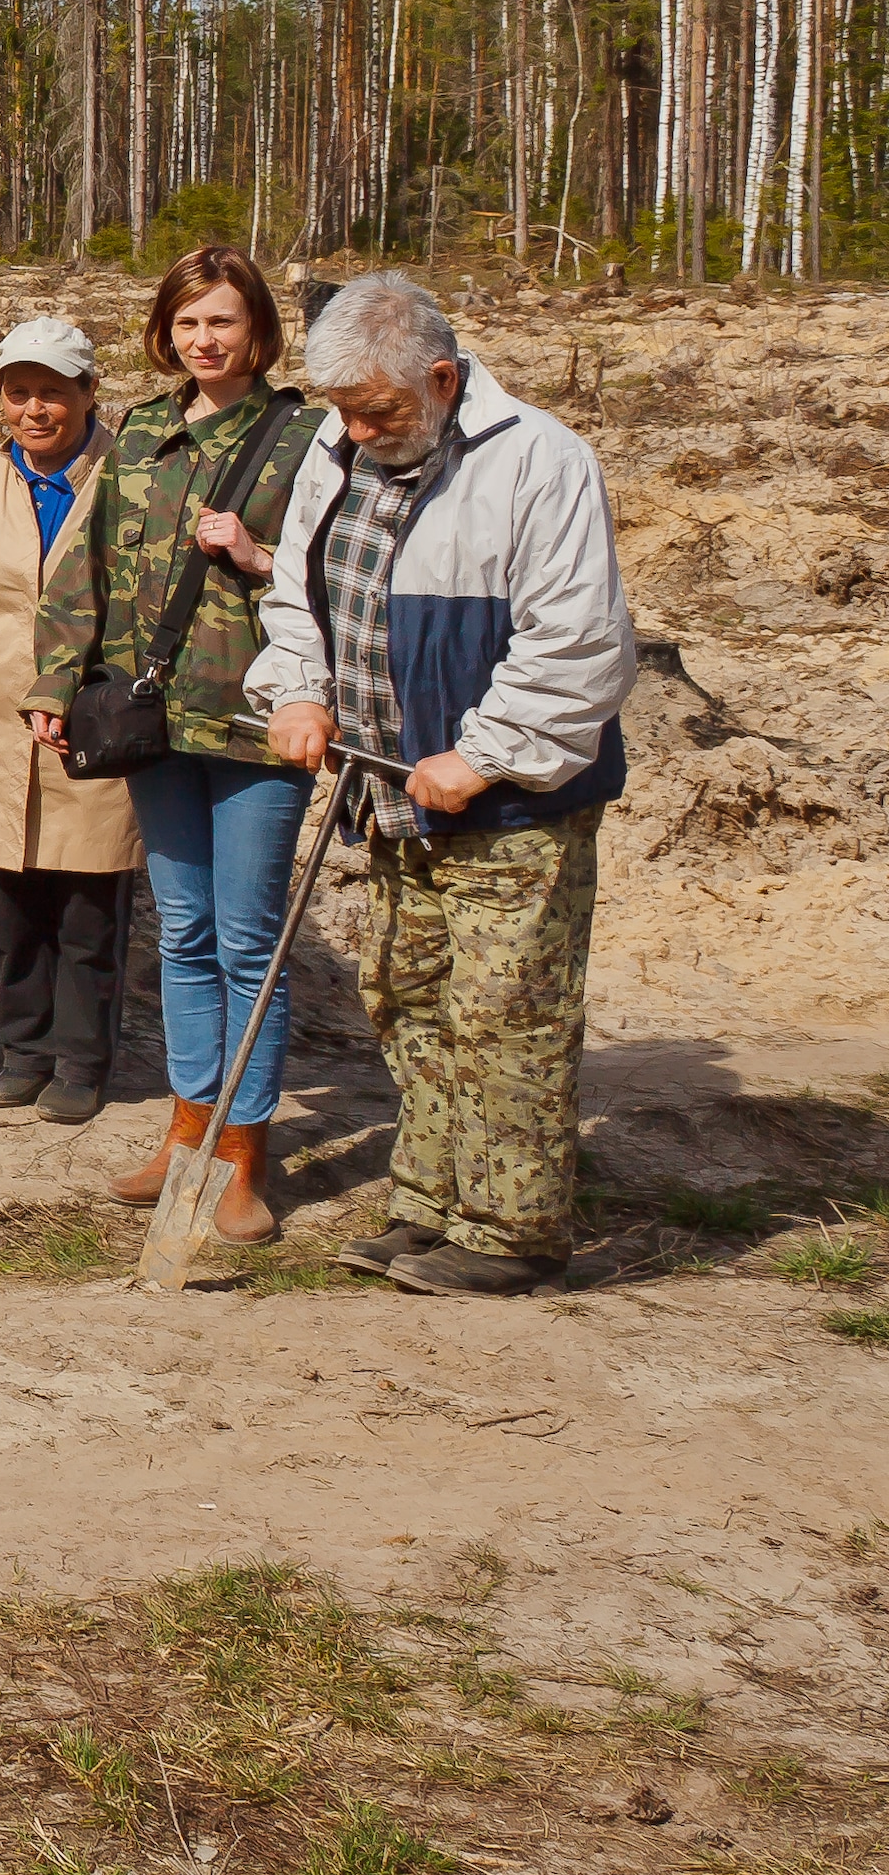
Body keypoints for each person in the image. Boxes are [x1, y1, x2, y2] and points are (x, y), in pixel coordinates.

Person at [255, 274, 633, 1299]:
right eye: (338, 407)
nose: (353, 426)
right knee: (407, 997)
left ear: (437, 376)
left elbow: (578, 642)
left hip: (510, 805)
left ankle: (510, 1229)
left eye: (374, 407)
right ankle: (428, 1201)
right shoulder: (334, 457)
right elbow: (296, 597)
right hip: (389, 796)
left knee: (504, 1010)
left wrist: (483, 754)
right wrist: (299, 692)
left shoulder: (538, 461)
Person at [35, 245, 314, 1239]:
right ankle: (184, 1131)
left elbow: (339, 575)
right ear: (165, 333)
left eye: (222, 322)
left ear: (256, 332)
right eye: (187, 323)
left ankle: (242, 1151)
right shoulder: (142, 429)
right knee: (185, 934)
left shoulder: (304, 438)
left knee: (248, 941)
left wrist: (254, 554)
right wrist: (55, 680)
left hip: (255, 722)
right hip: (151, 720)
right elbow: (83, 568)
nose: (204, 340)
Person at [0, 317, 138, 1126]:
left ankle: (82, 1059)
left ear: (90, 394)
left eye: (54, 393)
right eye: (19, 393)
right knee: (12, 900)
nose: (35, 410)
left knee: (89, 905)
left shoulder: (127, 475)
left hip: (94, 716)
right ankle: (21, 1050)